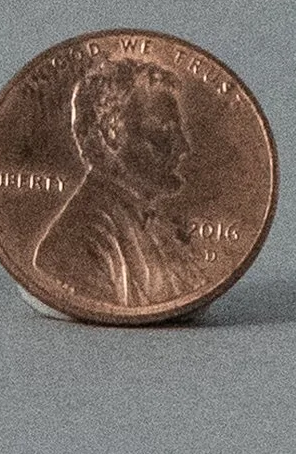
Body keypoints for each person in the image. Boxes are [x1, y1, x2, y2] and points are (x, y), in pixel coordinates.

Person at [35, 56, 196, 312]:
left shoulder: (158, 226)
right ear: (111, 135)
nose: (183, 147)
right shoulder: (80, 241)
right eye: (163, 131)